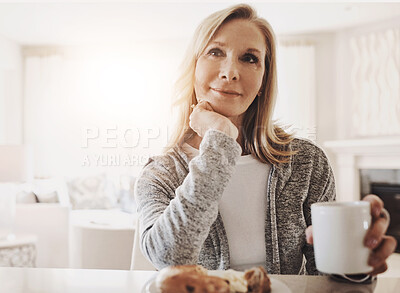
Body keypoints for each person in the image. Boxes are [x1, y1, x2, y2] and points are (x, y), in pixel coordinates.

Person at [134, 4, 396, 276]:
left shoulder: (307, 162)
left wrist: (356, 262)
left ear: (263, 80)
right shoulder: (160, 173)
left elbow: (327, 276)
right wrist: (220, 140)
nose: (230, 72)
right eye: (215, 52)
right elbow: (170, 259)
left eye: (249, 58)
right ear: (194, 68)